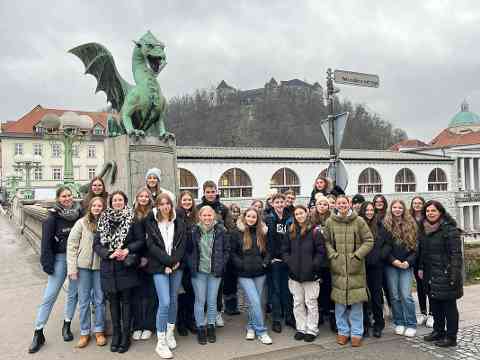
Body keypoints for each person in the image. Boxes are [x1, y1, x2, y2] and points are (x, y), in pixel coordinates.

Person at [28, 186, 82, 353]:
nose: (67, 199)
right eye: (64, 196)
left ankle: (66, 325)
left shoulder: (79, 214)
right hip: (59, 259)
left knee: (73, 293)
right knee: (50, 295)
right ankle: (38, 332)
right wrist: (47, 264)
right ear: (58, 198)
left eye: (69, 195)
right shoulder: (51, 218)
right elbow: (46, 243)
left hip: (76, 259)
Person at [94, 191, 144, 353]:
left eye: (120, 200)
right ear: (110, 202)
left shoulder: (132, 219)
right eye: (114, 200)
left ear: (125, 201)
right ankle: (116, 334)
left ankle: (125, 336)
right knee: (113, 303)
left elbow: (140, 241)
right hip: (109, 267)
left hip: (125, 267)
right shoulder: (103, 219)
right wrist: (109, 254)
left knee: (127, 302)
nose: (117, 202)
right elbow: (97, 245)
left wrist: (127, 250)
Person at [323, 195, 373, 348]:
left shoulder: (359, 221)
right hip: (338, 268)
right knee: (340, 303)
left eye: (344, 203)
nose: (342, 205)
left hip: (355, 268)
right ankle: (343, 332)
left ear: (349, 204)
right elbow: (326, 241)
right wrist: (333, 256)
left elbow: (369, 240)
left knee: (356, 303)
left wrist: (357, 256)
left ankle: (357, 333)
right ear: (335, 205)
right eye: (339, 203)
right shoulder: (330, 222)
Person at [145, 193, 186, 359]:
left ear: (171, 205)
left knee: (174, 300)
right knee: (165, 302)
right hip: (159, 267)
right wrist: (167, 264)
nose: (165, 206)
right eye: (161, 204)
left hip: (176, 266)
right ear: (157, 206)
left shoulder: (179, 222)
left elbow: (182, 244)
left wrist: (174, 263)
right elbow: (151, 246)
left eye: (167, 203)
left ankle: (170, 333)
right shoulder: (151, 222)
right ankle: (160, 341)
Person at [419, 201, 463, 347]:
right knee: (435, 305)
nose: (430, 213)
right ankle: (438, 331)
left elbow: (456, 255)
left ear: (440, 212)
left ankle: (451, 337)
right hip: (430, 273)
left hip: (446, 273)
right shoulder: (424, 229)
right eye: (428, 211)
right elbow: (422, 252)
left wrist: (454, 276)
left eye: (433, 211)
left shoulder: (450, 230)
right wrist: (421, 268)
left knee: (449, 307)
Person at [67, 196, 107, 348]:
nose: (97, 208)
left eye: (100, 206)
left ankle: (99, 330)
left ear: (103, 208)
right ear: (90, 207)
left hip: (100, 266)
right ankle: (84, 332)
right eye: (94, 205)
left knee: (99, 300)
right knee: (83, 301)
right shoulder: (81, 223)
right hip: (82, 266)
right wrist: (72, 269)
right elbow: (72, 246)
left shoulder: (106, 223)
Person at [283, 205, 326, 342]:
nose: (299, 216)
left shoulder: (315, 232)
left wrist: (314, 265)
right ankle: (301, 328)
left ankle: (312, 329)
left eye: (301, 213)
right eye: (297, 214)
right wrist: (290, 262)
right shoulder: (290, 232)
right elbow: (285, 251)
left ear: (307, 214)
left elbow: (321, 252)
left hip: (311, 274)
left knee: (311, 303)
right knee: (297, 302)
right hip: (295, 275)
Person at [187, 206, 230, 345]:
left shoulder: (221, 230)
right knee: (200, 300)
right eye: (204, 215)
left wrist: (221, 264)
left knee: (212, 301)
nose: (207, 218)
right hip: (198, 272)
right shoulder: (193, 230)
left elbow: (226, 250)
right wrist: (191, 264)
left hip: (214, 272)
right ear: (199, 216)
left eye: (209, 215)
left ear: (214, 216)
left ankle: (211, 326)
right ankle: (200, 327)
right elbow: (188, 251)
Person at [230, 207, 273, 345]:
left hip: (260, 273)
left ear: (257, 219)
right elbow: (232, 253)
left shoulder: (263, 233)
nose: (251, 219)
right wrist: (241, 265)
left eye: (254, 217)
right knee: (254, 301)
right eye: (248, 216)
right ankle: (261, 331)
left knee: (255, 302)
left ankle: (250, 327)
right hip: (244, 274)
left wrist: (265, 263)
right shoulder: (237, 232)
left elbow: (268, 251)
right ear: (244, 217)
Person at [197, 180, 234, 323]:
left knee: (217, 287)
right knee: (203, 288)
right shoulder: (198, 208)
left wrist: (226, 252)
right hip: (203, 254)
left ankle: (218, 312)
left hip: (218, 255)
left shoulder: (223, 209)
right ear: (204, 192)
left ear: (216, 192)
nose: (211, 194)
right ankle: (206, 313)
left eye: (213, 191)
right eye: (208, 192)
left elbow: (230, 229)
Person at [382, 200, 418, 337]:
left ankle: (411, 323)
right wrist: (394, 261)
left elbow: (415, 248)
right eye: (394, 207)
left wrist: (408, 262)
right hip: (391, 265)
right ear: (391, 209)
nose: (397, 210)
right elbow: (384, 248)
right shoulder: (385, 225)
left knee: (406, 295)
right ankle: (399, 322)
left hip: (406, 265)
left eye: (400, 207)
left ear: (404, 209)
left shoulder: (411, 224)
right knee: (394, 296)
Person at [358, 201, 391, 338]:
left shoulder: (380, 225)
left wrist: (380, 256)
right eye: (367, 210)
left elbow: (388, 244)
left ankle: (378, 324)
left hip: (376, 266)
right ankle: (365, 324)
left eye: (371, 210)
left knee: (377, 297)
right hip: (361, 266)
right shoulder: (358, 224)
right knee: (363, 297)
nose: (369, 212)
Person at [265, 193, 294, 333]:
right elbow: (268, 240)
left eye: (282, 202)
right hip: (275, 260)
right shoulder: (269, 219)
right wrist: (271, 257)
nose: (280, 204)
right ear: (272, 204)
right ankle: (276, 319)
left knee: (287, 290)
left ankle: (289, 316)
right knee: (275, 290)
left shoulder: (289, 218)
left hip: (287, 259)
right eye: (277, 202)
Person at [131, 187, 156, 342]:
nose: (144, 198)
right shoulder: (132, 214)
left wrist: (146, 256)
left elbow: (155, 237)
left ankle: (148, 325)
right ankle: (137, 325)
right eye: (141, 196)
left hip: (151, 258)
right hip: (134, 258)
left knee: (150, 294)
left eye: (146, 196)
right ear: (137, 198)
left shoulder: (154, 213)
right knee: (136, 294)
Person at [311, 195, 336, 332]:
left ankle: (332, 316)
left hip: (329, 259)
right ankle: (319, 315)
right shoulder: (311, 219)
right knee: (317, 289)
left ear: (328, 206)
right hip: (315, 259)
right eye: (320, 204)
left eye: (325, 204)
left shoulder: (332, 219)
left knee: (329, 287)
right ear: (316, 205)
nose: (322, 206)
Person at [175, 191, 198, 336]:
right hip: (181, 259)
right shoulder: (176, 215)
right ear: (180, 201)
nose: (187, 202)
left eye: (189, 200)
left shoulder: (196, 215)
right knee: (180, 293)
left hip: (194, 259)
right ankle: (181, 322)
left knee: (191, 292)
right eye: (184, 200)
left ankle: (190, 320)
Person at [409, 196, 433, 328]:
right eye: (414, 203)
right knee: (420, 285)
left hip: (427, 256)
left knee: (429, 285)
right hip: (415, 256)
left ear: (423, 205)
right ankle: (422, 312)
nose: (417, 205)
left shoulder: (428, 219)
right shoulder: (409, 219)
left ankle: (432, 313)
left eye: (419, 203)